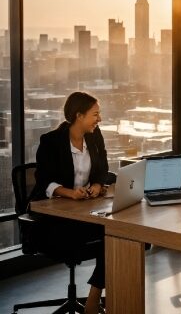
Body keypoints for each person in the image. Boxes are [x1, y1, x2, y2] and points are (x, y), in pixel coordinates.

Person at [30, 92, 108, 314]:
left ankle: (94, 297)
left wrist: (96, 185)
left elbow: (103, 169)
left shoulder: (94, 136)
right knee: (110, 236)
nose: (99, 119)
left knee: (117, 233)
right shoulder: (51, 142)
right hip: (53, 220)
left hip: (84, 211)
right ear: (79, 115)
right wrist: (70, 193)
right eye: (95, 114)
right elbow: (43, 181)